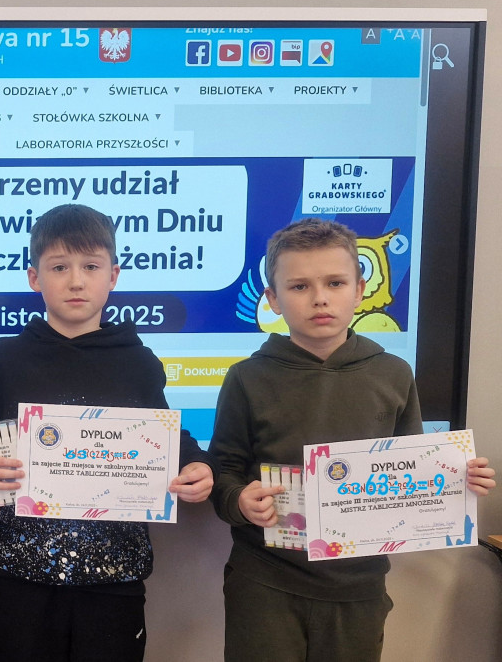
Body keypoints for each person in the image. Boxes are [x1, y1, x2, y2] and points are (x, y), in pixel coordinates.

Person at [0, 204, 215, 662]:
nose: (76, 281)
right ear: (34, 278)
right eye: (59, 267)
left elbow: (169, 441)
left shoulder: (138, 363)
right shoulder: (4, 359)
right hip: (21, 580)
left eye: (91, 267)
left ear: (113, 276)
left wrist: (199, 466)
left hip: (115, 581)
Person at [207, 218, 495, 662]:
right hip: (264, 580)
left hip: (359, 586)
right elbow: (224, 471)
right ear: (273, 299)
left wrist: (456, 482)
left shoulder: (394, 374)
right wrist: (239, 500)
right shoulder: (246, 378)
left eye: (335, 282)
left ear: (359, 290)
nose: (320, 298)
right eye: (299, 286)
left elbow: (412, 475)